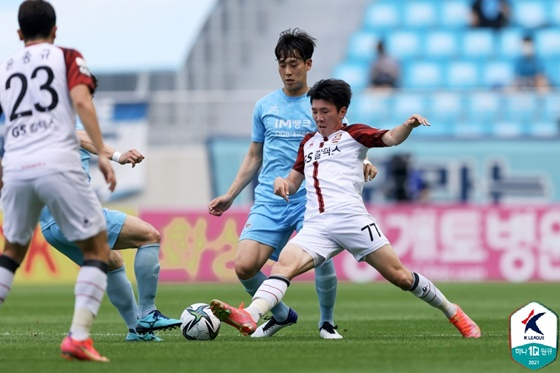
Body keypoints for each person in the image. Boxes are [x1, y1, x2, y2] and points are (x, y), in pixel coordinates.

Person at [209, 79, 482, 340]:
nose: (318, 117)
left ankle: (453, 311)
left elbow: (390, 138)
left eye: (325, 111)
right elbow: (293, 183)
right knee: (283, 267)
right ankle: (250, 314)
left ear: (342, 112)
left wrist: (407, 125)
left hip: (352, 222)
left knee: (400, 276)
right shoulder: (309, 143)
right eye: (314, 111)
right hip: (316, 226)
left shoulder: (354, 134)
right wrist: (282, 182)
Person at [208, 29, 377, 340]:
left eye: (294, 64)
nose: (288, 71)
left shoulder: (321, 104)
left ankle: (327, 322)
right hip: (270, 198)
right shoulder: (264, 106)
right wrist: (230, 194)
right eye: (282, 64)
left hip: (311, 198)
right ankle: (283, 314)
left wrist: (365, 163)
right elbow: (253, 155)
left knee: (320, 259)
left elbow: (347, 142)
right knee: (244, 266)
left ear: (308, 64)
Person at [0, 0, 115, 362]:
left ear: (19, 34)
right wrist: (100, 151)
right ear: (55, 30)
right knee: (98, 250)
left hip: (16, 165)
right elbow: (82, 100)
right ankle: (79, 337)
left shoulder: (5, 68)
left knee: (11, 252)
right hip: (57, 162)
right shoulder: (65, 56)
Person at [39, 78, 181, 342]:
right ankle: (148, 313)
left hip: (49, 226)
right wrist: (118, 156)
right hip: (76, 213)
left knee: (112, 261)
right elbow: (81, 138)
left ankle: (135, 331)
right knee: (149, 236)